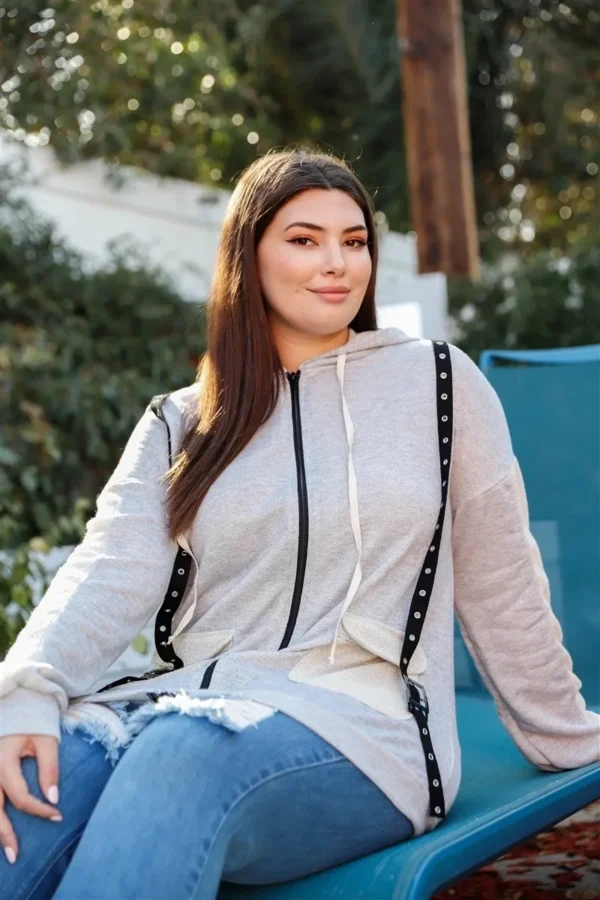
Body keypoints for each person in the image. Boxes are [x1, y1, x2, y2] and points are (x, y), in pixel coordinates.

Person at [1, 148, 598, 900]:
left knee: (182, 755)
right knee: (37, 775)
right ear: (248, 256)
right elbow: (107, 572)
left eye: (354, 242)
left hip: (367, 732)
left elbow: (501, 580)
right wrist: (28, 691)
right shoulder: (181, 422)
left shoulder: (439, 385)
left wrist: (566, 735)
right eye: (304, 238)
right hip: (185, 704)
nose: (337, 263)